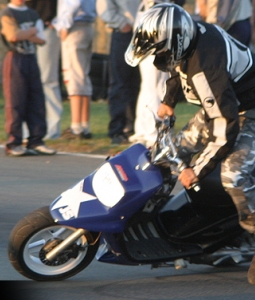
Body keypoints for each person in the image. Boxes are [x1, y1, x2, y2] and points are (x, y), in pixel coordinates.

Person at [125, 3, 255, 284]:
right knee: (168, 150)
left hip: (246, 113)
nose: (157, 57)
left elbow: (225, 126)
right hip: (225, 104)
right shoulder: (188, 38)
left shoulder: (206, 68)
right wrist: (169, 101)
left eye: (158, 51)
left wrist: (196, 170)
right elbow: (175, 65)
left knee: (233, 176)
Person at [0, 0, 56, 156]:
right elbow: (13, 36)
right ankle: (14, 142)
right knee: (16, 101)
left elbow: (41, 39)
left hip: (31, 58)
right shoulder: (8, 13)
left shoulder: (32, 13)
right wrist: (31, 32)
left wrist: (26, 34)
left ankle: (36, 140)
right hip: (15, 59)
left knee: (36, 100)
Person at [129, 0, 184, 148]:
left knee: (153, 83)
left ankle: (147, 131)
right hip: (153, 16)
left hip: (154, 15)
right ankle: (150, 132)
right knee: (153, 84)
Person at [96, 0, 141, 145]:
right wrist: (122, 24)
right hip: (124, 34)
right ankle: (117, 129)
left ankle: (135, 126)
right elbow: (104, 8)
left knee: (139, 83)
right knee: (120, 82)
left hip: (145, 33)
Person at [54, 0, 96, 140]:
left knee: (74, 76)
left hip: (75, 26)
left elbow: (72, 3)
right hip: (87, 25)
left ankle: (76, 126)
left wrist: (64, 25)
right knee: (83, 76)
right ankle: (85, 125)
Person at [25, 0, 63, 140]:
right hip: (24, 30)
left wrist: (57, 20)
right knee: (25, 81)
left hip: (47, 28)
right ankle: (27, 129)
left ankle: (52, 128)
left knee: (48, 78)